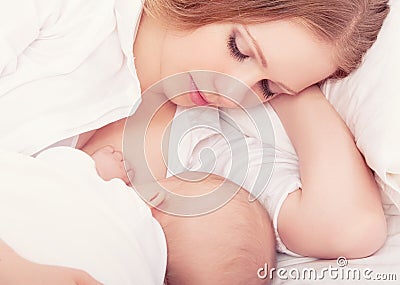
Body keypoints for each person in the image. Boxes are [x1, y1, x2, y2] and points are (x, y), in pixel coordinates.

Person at [0, 0, 390, 283]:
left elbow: (349, 227)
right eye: (239, 48)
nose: (234, 89)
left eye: (266, 87)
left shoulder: (207, 145)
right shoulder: (70, 13)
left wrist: (298, 87)